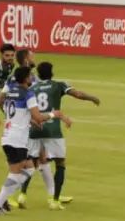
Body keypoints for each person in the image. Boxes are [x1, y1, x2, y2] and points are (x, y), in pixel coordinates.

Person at [16, 61, 101, 211]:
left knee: (32, 163)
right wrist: (92, 98)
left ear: (39, 75)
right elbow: (78, 94)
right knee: (60, 163)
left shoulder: (32, 88)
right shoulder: (58, 85)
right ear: (52, 73)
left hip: (35, 128)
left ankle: (22, 195)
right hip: (53, 129)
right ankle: (54, 201)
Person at [0, 66, 71, 216]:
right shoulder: (28, 94)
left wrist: (22, 120)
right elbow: (39, 117)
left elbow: (1, 102)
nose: (32, 77)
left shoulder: (10, 91)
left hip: (8, 136)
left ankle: (3, 198)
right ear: (26, 78)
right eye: (30, 75)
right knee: (15, 173)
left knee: (29, 169)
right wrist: (54, 114)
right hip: (17, 139)